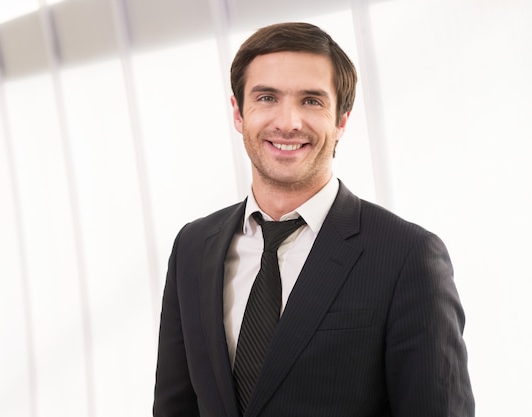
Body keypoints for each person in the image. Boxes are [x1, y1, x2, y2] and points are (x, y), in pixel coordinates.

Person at [153, 22, 474, 417]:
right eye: (267, 97)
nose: (287, 122)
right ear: (238, 112)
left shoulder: (407, 257)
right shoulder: (193, 247)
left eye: (311, 101)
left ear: (341, 119)